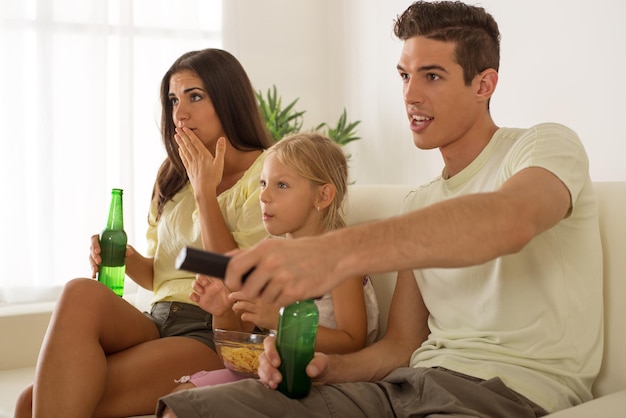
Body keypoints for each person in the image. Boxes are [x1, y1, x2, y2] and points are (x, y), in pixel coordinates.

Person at [156, 2, 603, 417]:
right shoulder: (421, 201)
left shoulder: (542, 146)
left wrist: (331, 253)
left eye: (432, 76)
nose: (410, 95)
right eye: (404, 76)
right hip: (405, 385)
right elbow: (400, 345)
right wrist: (327, 367)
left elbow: (511, 219)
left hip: (505, 391)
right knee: (194, 409)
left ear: (483, 85)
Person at [14, 48, 273, 418]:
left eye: (195, 96)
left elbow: (235, 276)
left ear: (228, 100)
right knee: (80, 292)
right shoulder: (172, 174)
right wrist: (126, 258)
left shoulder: (266, 171)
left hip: (213, 329)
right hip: (157, 318)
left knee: (29, 403)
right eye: (172, 100)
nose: (179, 113)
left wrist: (205, 193)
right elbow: (160, 275)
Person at [171, 132, 379, 390]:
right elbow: (239, 341)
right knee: (184, 394)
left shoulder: (340, 257)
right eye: (262, 183)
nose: (264, 196)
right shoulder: (268, 253)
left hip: (324, 379)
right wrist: (222, 311)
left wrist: (281, 321)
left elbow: (352, 341)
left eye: (281, 185)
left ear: (323, 196)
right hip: (272, 370)